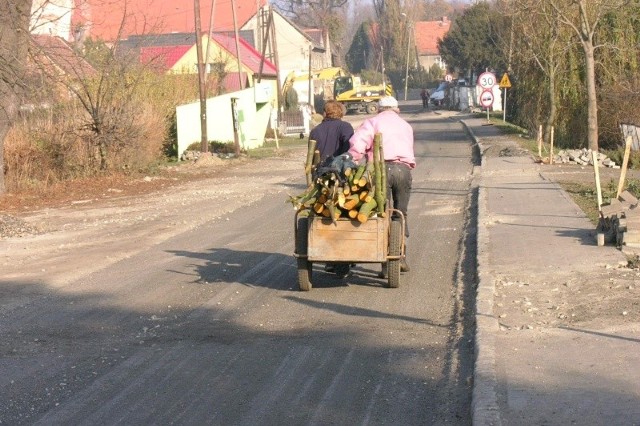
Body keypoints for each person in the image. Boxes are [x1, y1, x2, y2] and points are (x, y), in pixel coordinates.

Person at [348, 96, 415, 272]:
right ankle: (400, 256)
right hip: (403, 170)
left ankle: (386, 260)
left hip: (380, 169)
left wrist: (353, 160)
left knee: (381, 212)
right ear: (396, 109)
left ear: (379, 109)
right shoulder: (405, 125)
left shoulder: (372, 122)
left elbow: (359, 142)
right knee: (401, 213)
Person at [309, 100, 355, 278]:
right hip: (341, 178)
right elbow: (350, 151)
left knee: (325, 215)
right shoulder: (345, 128)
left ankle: (330, 260)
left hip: (321, 178)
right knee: (343, 215)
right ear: (341, 112)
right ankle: (342, 261)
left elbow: (311, 157)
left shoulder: (316, 131)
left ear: (325, 113)